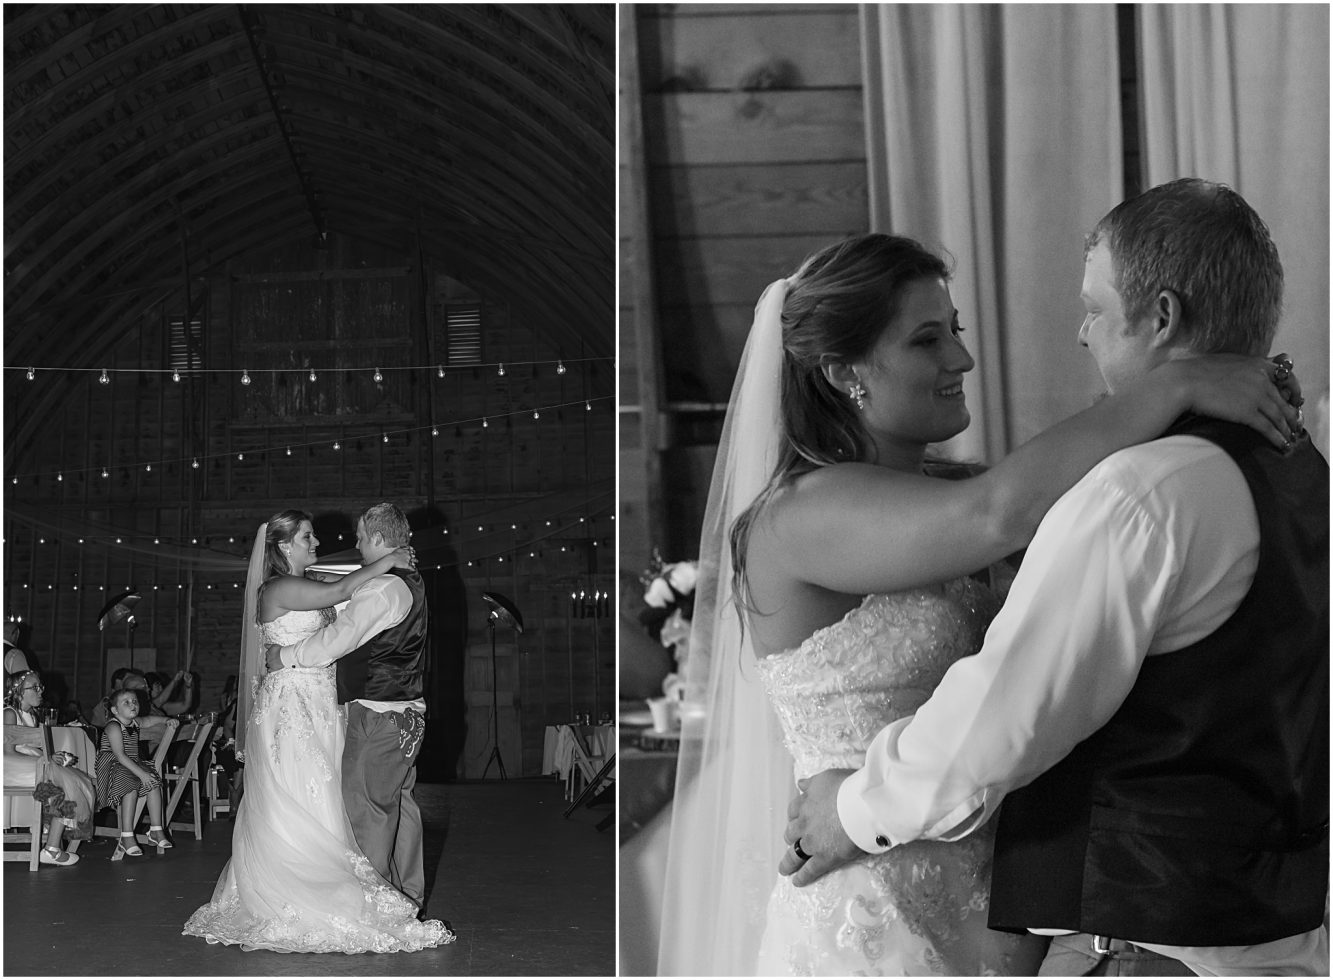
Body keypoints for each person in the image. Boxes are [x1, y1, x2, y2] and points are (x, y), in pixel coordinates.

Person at [655, 225, 1305, 975]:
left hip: (998, 900)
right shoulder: (798, 516)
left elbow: (1097, 516)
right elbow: (1003, 514)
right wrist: (1180, 382)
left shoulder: (951, 489)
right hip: (872, 900)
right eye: (926, 340)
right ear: (842, 372)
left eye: (954, 330)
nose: (960, 357)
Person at [183, 508, 452, 953]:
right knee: (306, 795)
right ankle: (311, 892)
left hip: (325, 703)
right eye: (308, 537)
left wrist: (386, 563)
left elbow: (342, 605)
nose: (318, 543)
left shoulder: (320, 585)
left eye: (359, 536)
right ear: (284, 546)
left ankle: (381, 892)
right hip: (293, 705)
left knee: (342, 800)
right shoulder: (280, 586)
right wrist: (392, 558)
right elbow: (345, 591)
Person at [262, 502, 434, 912]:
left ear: (377, 537)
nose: (354, 544)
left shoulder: (381, 588)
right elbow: (339, 596)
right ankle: (406, 898)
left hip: (378, 713)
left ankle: (374, 907)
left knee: (369, 809)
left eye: (359, 537)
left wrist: (283, 657)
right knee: (399, 805)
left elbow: (338, 639)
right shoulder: (404, 581)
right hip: (405, 712)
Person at [3, 670, 93, 865]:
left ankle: (49, 841)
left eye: (40, 687)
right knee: (63, 782)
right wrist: (45, 761)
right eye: (34, 688)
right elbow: (7, 752)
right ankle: (50, 845)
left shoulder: (32, 715)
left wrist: (51, 758)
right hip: (10, 766)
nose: (40, 691)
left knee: (74, 779)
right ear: (18, 691)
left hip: (29, 764)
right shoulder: (10, 713)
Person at [95, 688, 173, 857]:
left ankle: (156, 829)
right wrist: (142, 774)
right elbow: (120, 755)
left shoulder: (135, 722)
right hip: (112, 765)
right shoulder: (113, 726)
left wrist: (167, 719)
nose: (133, 705)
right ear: (115, 710)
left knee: (153, 782)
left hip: (130, 764)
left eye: (135, 701)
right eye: (127, 702)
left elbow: (149, 719)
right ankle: (126, 835)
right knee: (130, 785)